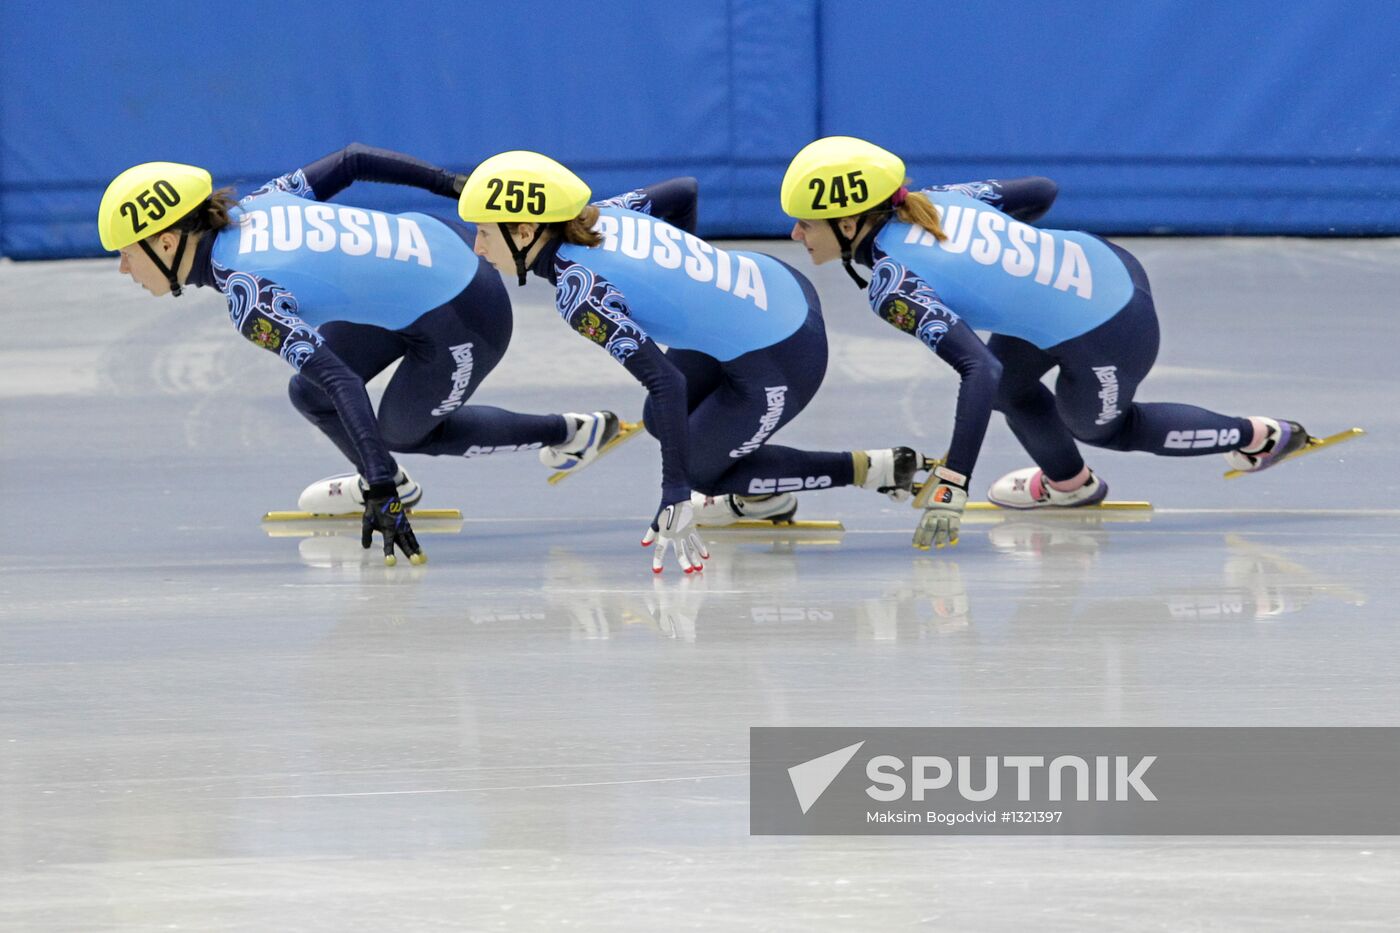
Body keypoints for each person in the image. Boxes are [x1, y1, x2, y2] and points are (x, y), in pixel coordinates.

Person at [97, 144, 616, 565]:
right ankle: (390, 477)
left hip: (466, 312)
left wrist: (379, 484)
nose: (123, 270)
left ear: (166, 243)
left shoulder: (246, 294)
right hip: (439, 257)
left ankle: (573, 431)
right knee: (308, 390)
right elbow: (352, 161)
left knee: (399, 432)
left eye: (125, 253)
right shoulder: (262, 201)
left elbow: (344, 380)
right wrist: (452, 184)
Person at [780, 136, 1311, 541]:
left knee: (1103, 428)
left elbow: (977, 369)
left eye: (805, 223)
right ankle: (1070, 486)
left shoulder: (894, 284)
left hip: (1109, 325)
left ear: (849, 223)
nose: (795, 235)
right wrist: (1018, 255)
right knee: (1013, 389)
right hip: (1104, 265)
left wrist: (953, 481)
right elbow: (1041, 191)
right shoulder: (940, 199)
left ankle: (1259, 435)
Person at [456, 151, 921, 573]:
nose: (478, 248)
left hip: (784, 349)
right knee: (661, 421)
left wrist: (676, 493)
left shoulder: (580, 293)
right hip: (776, 283)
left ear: (524, 231)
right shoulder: (608, 212)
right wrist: (684, 276)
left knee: (700, 469)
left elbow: (668, 382)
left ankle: (870, 469)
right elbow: (684, 191)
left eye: (483, 232)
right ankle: (762, 497)